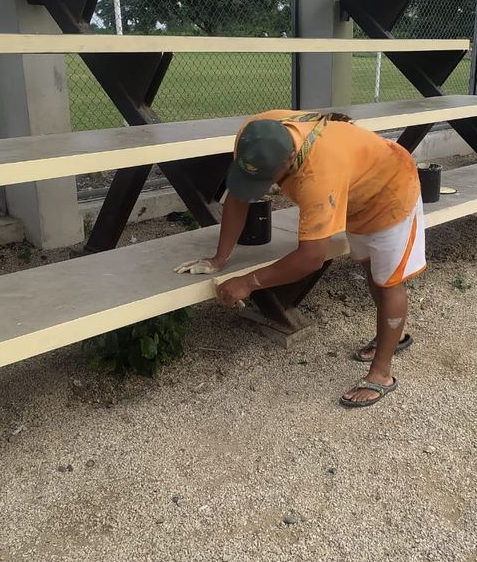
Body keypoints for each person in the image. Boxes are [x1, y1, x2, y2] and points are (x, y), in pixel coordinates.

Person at [174, 109, 425, 407]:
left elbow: (311, 258)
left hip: (390, 190)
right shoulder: (255, 134)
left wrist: (248, 282)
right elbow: (239, 197)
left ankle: (381, 373)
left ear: (290, 159)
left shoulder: (319, 176)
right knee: (372, 269)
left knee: (389, 281)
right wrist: (219, 258)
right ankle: (390, 338)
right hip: (358, 185)